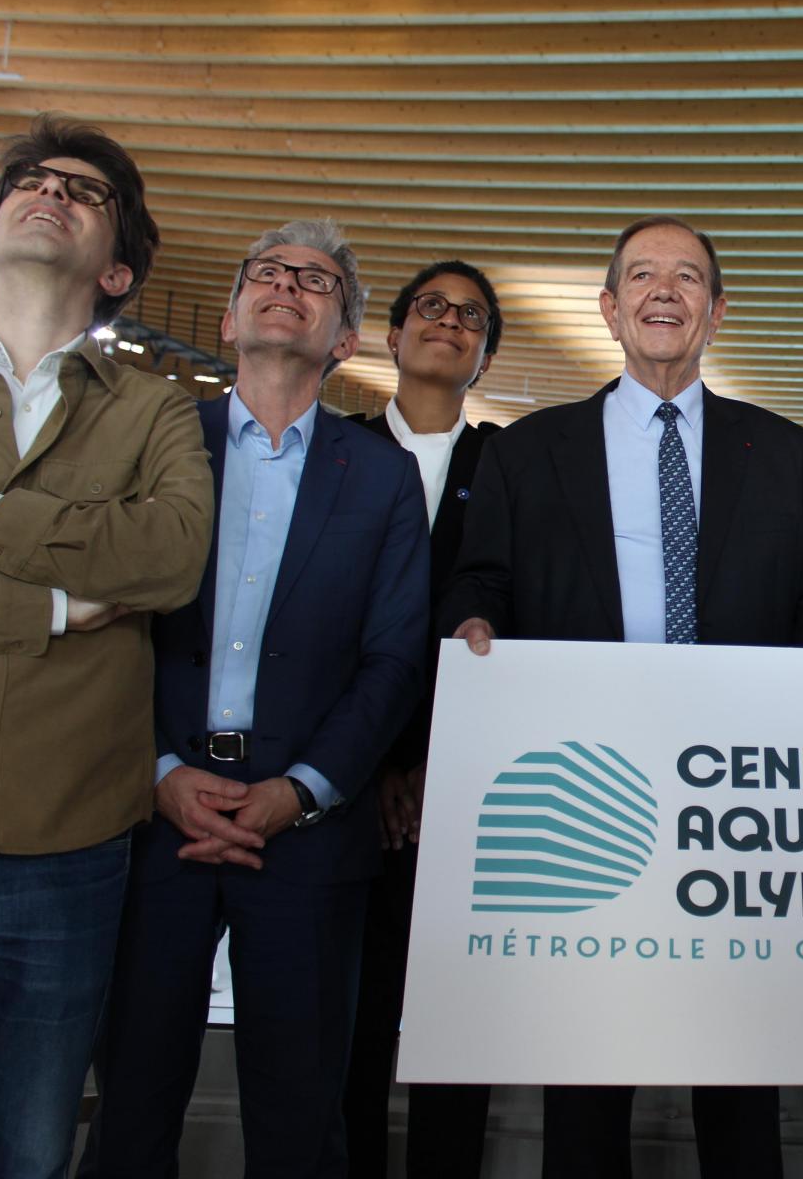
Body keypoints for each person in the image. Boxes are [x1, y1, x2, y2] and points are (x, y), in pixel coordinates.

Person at [438, 215, 803, 1179]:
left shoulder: (784, 450)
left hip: (734, 804)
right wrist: (472, 630)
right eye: (641, 276)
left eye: (686, 278)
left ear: (717, 312)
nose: (662, 291)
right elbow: (481, 584)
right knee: (585, 1090)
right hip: (584, 799)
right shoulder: (526, 451)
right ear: (610, 309)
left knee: (739, 1091)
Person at [0, 113, 212, 1179]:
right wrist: (56, 607)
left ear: (117, 269)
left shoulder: (157, 411)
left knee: (24, 1154)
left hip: (65, 847)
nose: (49, 191)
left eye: (83, 189)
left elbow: (165, 558)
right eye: (30, 178)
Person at [80, 220, 431, 1178]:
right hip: (154, 822)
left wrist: (302, 789)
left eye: (316, 282)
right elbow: (110, 627)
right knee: (131, 1105)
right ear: (233, 315)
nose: (287, 286)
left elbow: (395, 657)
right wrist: (157, 771)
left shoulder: (385, 477)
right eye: (268, 274)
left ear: (346, 339)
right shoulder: (160, 443)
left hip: (309, 839)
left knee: (299, 1115)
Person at [341, 260, 504, 1178]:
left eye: (471, 317)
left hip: (465, 795)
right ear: (392, 335)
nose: (449, 322)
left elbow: (508, 619)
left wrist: (435, 763)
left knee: (457, 1039)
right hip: (345, 791)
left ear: (481, 357)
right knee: (349, 1031)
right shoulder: (333, 450)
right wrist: (372, 767)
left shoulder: (510, 467)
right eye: (431, 308)